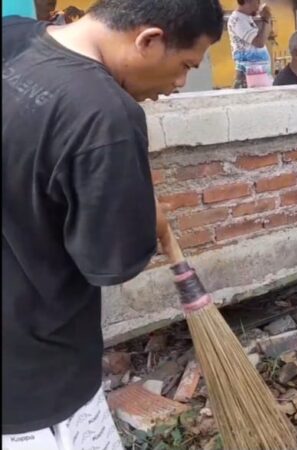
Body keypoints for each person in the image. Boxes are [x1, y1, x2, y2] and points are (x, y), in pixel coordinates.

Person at [2, 0, 223, 448]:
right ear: (149, 40)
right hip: (35, 379)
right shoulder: (105, 115)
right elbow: (109, 262)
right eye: (185, 65)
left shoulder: (11, 36)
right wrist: (142, 214)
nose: (179, 85)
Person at [228, 0, 273, 88]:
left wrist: (266, 19)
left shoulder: (246, 18)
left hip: (256, 76)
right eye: (258, 2)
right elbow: (259, 43)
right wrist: (266, 20)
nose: (259, 5)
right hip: (249, 77)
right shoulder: (238, 19)